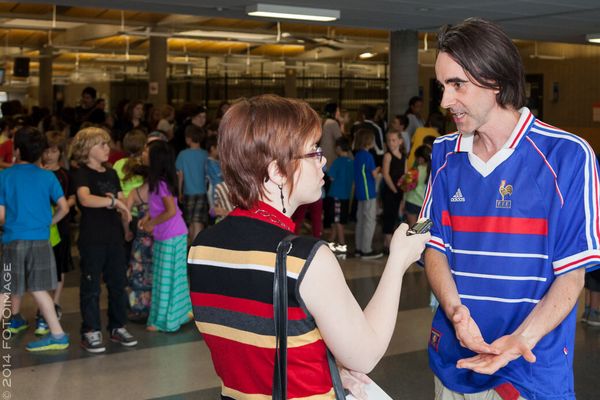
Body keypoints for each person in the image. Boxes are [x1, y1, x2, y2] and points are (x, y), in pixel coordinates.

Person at [187, 94, 429, 399]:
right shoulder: (304, 258)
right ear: (276, 171)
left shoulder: (200, 249)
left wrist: (330, 371)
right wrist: (398, 261)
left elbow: (260, 352)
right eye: (313, 151)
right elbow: (364, 355)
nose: (323, 159)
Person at [421, 18, 600, 400]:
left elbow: (572, 276)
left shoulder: (567, 156)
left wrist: (520, 340)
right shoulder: (443, 154)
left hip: (530, 372)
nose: (444, 101)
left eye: (457, 85)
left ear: (495, 80)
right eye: (442, 86)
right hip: (455, 365)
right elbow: (434, 247)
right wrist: (455, 313)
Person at [0, 126, 70, 351]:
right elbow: (64, 208)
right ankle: (58, 335)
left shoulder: (5, 176)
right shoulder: (48, 176)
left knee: (6, 288)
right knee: (39, 289)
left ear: (17, 150)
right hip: (41, 239)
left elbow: (1, 215)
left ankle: (14, 321)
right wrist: (48, 222)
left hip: (14, 239)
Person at [71, 127, 138, 353]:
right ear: (87, 149)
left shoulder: (110, 173)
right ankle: (90, 330)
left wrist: (126, 223)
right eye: (102, 145)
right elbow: (85, 199)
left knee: (118, 284)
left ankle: (117, 326)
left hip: (114, 238)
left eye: (107, 144)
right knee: (91, 287)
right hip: (92, 239)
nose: (107, 148)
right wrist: (112, 203)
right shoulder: (81, 172)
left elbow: (121, 200)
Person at [139, 140, 192, 332]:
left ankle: (166, 320)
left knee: (167, 278)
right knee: (166, 276)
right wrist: (147, 218)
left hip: (172, 235)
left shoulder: (161, 182)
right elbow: (160, 208)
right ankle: (175, 313)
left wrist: (151, 223)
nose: (143, 154)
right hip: (167, 234)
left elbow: (170, 211)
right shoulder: (158, 181)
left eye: (146, 151)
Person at [41, 130, 76, 322]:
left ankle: (54, 302)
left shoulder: (65, 175)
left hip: (60, 224)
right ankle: (44, 303)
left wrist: (60, 207)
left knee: (59, 264)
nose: (49, 154)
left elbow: (72, 199)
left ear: (60, 152)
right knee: (42, 266)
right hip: (40, 224)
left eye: (53, 150)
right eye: (46, 150)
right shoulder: (37, 172)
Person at [175, 126, 209, 244]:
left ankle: (191, 249)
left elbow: (180, 175)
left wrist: (179, 192)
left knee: (190, 222)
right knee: (198, 221)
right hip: (203, 192)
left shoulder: (182, 154)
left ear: (188, 139)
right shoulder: (205, 154)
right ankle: (197, 249)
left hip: (188, 192)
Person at [353, 128, 383, 260]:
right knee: (370, 221)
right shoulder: (368, 156)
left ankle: (359, 248)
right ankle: (366, 250)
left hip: (359, 192)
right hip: (368, 191)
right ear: (369, 141)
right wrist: (378, 170)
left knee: (361, 221)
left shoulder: (357, 155)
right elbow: (373, 174)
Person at [325, 137, 354, 257]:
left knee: (337, 221)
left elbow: (331, 177)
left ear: (338, 148)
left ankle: (341, 244)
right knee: (339, 220)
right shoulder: (352, 162)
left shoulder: (337, 162)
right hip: (346, 195)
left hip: (336, 194)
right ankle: (331, 241)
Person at [381, 130, 406, 253]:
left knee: (397, 216)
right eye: (389, 140)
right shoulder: (388, 156)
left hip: (399, 191)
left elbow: (406, 175)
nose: (391, 143)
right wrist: (395, 190)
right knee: (389, 216)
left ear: (400, 141)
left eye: (394, 140)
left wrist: (404, 190)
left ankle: (388, 243)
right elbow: (386, 174)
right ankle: (389, 243)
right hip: (390, 191)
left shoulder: (403, 157)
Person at [403, 145, 430, 227]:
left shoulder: (414, 170)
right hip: (425, 204)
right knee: (421, 230)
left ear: (421, 158)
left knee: (412, 228)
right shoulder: (434, 171)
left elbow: (405, 187)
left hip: (411, 201)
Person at [321, 102, 343, 169]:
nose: (339, 113)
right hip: (330, 154)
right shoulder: (332, 123)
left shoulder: (323, 121)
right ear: (334, 112)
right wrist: (342, 124)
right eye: (338, 110)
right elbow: (340, 139)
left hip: (322, 153)